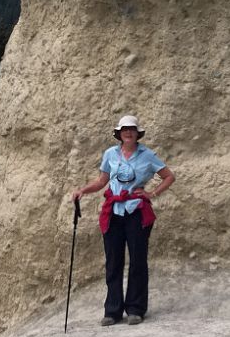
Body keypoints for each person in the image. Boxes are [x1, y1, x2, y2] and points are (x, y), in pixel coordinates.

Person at [71, 115, 175, 326]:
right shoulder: (110, 153)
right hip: (114, 211)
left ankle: (136, 309)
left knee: (137, 260)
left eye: (132, 129)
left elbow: (169, 176)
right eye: (125, 129)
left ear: (138, 133)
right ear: (119, 133)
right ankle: (113, 310)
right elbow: (102, 180)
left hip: (136, 210)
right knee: (113, 261)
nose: (128, 132)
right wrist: (83, 190)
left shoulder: (148, 155)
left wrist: (152, 193)